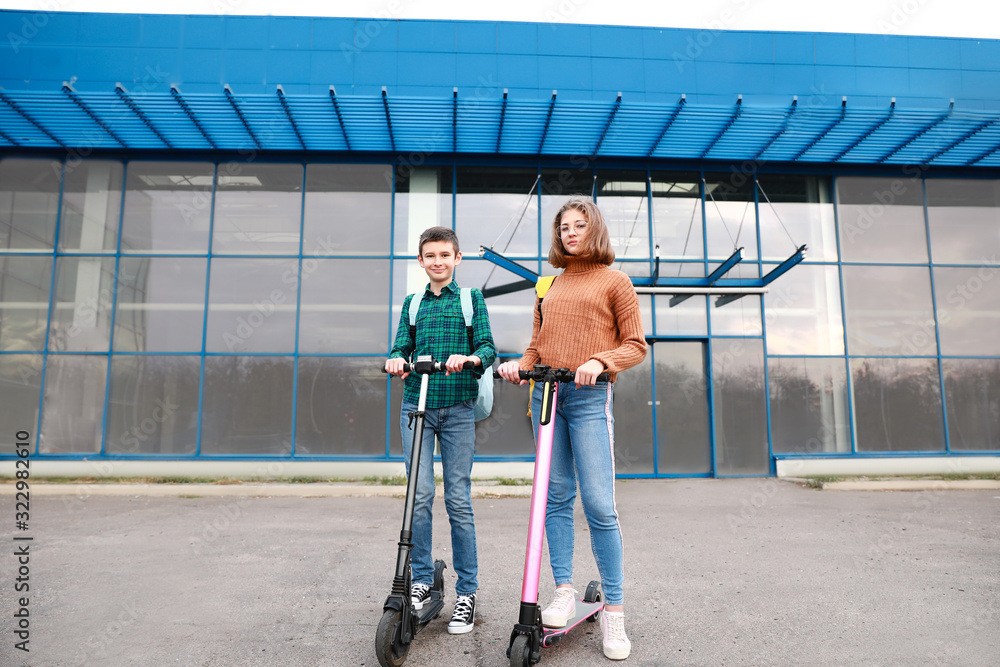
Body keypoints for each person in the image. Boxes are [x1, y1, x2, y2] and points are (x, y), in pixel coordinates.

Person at [497, 196, 646, 660]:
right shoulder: (550, 284)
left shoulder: (615, 281)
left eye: (579, 225)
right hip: (547, 396)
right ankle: (562, 589)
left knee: (600, 504)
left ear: (594, 230)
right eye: (564, 227)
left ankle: (615, 615)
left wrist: (600, 360)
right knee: (555, 497)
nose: (570, 233)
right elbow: (537, 346)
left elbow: (636, 345)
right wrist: (517, 367)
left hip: (587, 398)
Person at [384, 226, 497, 635]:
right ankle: (419, 582)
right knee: (419, 496)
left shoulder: (471, 299)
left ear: (457, 258)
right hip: (417, 405)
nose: (437, 262)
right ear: (420, 260)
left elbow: (488, 348)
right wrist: (397, 359)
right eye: (430, 255)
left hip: (458, 409)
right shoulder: (412, 302)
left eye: (445, 255)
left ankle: (467, 592)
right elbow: (401, 346)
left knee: (459, 500)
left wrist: (468, 358)